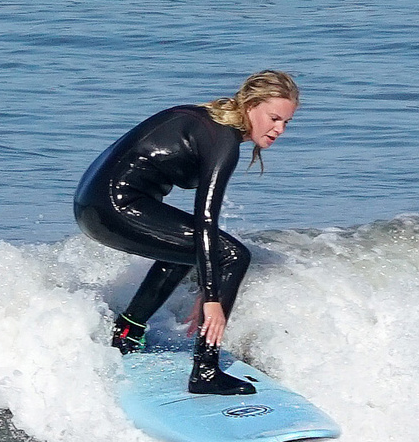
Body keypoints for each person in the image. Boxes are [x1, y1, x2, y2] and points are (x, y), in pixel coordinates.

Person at [73, 70, 299, 396]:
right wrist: (212, 299)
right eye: (274, 118)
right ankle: (205, 371)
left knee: (186, 244)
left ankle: (127, 331)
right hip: (112, 206)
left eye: (286, 123)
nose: (279, 130)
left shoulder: (212, 121)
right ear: (250, 105)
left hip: (93, 202)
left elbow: (197, 233)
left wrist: (206, 276)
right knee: (234, 255)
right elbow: (206, 220)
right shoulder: (223, 142)